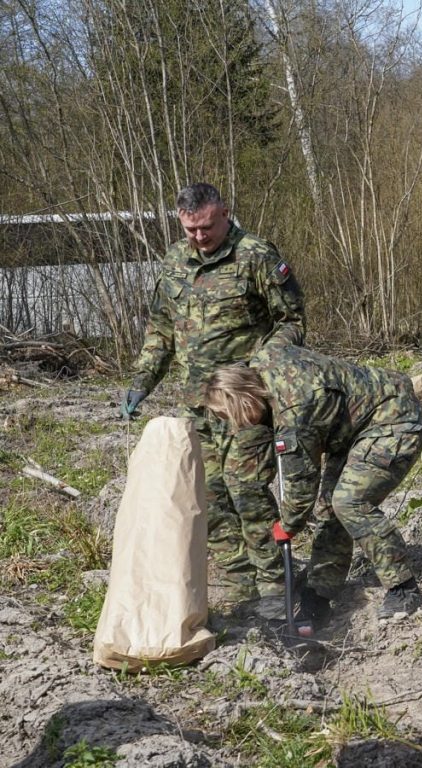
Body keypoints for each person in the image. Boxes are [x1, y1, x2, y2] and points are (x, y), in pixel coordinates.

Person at [119, 182, 305, 611]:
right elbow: (161, 328)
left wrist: (258, 368)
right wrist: (142, 381)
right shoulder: (173, 261)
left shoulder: (256, 255)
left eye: (205, 227)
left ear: (224, 212)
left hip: (244, 402)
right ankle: (241, 590)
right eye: (190, 230)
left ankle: (277, 589)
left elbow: (292, 321)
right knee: (211, 496)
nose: (199, 237)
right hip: (195, 404)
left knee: (248, 491)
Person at [204, 344, 422, 621]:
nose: (233, 424)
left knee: (350, 501)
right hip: (352, 428)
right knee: (329, 510)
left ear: (245, 401)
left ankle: (403, 588)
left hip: (394, 418)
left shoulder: (295, 411)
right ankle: (319, 594)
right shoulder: (261, 363)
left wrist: (286, 526)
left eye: (229, 415)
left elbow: (301, 484)